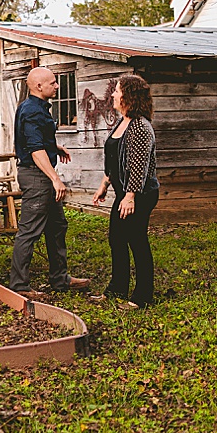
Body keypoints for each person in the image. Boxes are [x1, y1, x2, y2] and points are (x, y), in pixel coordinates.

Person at [8, 66, 80, 296]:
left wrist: (54, 147)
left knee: (57, 226)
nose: (57, 86)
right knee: (29, 230)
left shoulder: (35, 108)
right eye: (53, 83)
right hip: (37, 177)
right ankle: (19, 285)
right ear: (39, 86)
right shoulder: (32, 111)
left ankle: (60, 279)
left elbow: (36, 141)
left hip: (41, 174)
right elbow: (35, 149)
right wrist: (55, 179)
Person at [93, 74, 159, 309]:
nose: (113, 94)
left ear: (128, 96)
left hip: (140, 193)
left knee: (137, 240)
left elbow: (139, 165)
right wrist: (105, 184)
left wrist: (130, 195)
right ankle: (117, 289)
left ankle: (142, 296)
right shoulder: (122, 122)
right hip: (124, 193)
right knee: (117, 239)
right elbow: (115, 160)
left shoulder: (140, 126)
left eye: (117, 90)